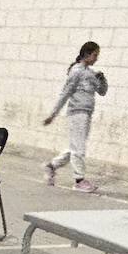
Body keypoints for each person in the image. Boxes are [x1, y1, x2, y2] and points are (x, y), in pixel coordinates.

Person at [43, 41, 107, 193]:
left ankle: (52, 165)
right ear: (86, 54)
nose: (96, 58)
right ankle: (79, 180)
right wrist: (53, 113)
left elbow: (102, 92)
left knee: (75, 147)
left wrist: (102, 80)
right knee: (79, 148)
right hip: (76, 113)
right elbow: (65, 93)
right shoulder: (76, 71)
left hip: (87, 113)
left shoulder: (91, 74)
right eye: (94, 55)